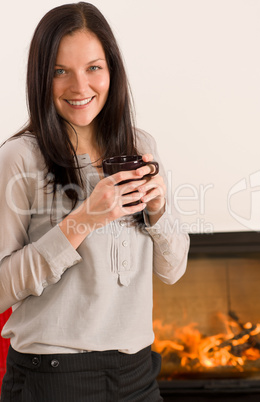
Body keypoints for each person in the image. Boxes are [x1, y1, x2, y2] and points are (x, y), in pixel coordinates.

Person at [0, 2, 189, 401]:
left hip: (137, 374)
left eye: (93, 68)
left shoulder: (141, 146)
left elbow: (172, 271)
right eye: (59, 71)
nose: (80, 87)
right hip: (53, 378)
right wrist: (82, 220)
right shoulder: (20, 157)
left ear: (112, 71)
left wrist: (158, 209)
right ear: (41, 77)